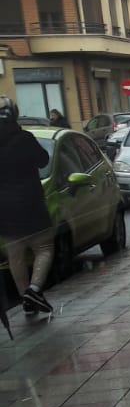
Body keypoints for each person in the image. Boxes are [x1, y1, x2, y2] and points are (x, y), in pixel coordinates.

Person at [0, 98, 55, 318]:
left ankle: (27, 299)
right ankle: (33, 290)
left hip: (4, 209)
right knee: (44, 247)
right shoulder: (24, 139)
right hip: (30, 203)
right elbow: (43, 161)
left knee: (16, 255)